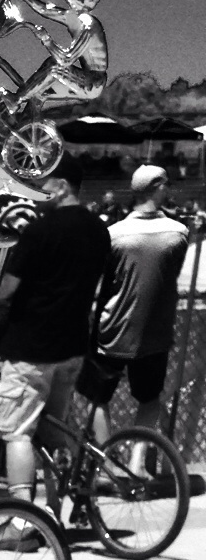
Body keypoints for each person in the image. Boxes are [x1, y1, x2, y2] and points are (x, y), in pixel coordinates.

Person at [0, 151, 111, 528]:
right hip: (72, 344)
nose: (37, 192)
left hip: (31, 346)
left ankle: (22, 523)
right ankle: (63, 501)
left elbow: (7, 290)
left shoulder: (40, 230)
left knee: (18, 433)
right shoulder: (99, 229)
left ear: (62, 186)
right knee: (55, 429)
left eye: (42, 185)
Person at [82, 163, 190, 452]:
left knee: (98, 398)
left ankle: (105, 460)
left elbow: (101, 280)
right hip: (154, 332)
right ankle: (136, 462)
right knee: (149, 399)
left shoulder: (113, 233)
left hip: (112, 330)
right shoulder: (178, 233)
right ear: (158, 188)